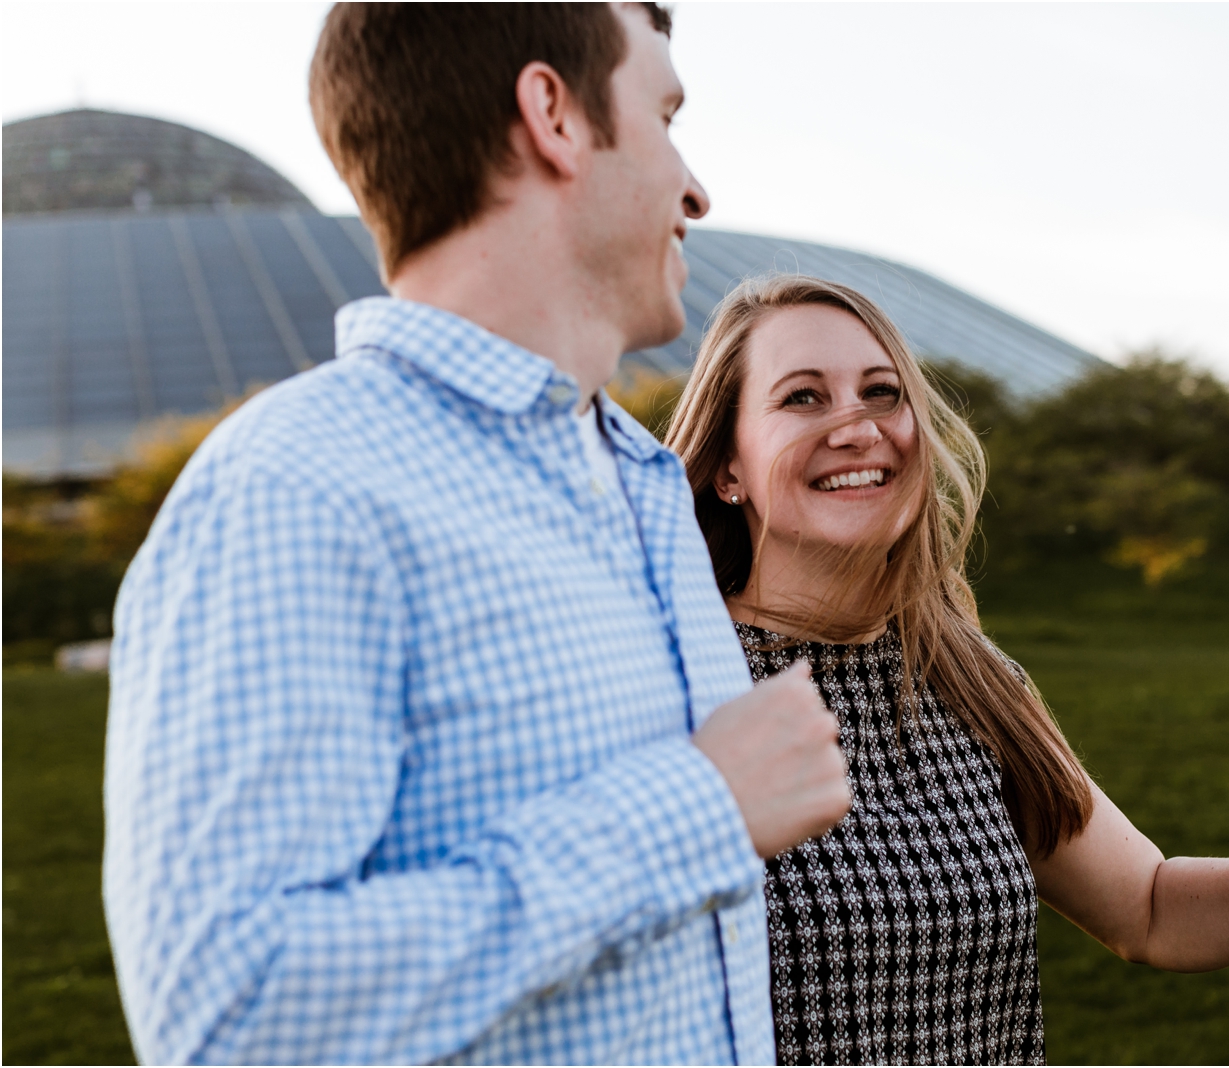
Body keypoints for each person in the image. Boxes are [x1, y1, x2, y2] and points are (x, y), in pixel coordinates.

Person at [102, 6, 852, 1064]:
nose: (694, 190)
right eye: (664, 114)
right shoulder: (298, 487)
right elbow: (232, 1017)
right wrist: (696, 809)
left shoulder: (638, 483)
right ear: (552, 114)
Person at [663, 275, 1229, 1066]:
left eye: (883, 392)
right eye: (802, 398)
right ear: (729, 468)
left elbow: (1149, 909)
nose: (858, 427)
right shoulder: (671, 686)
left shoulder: (972, 678)